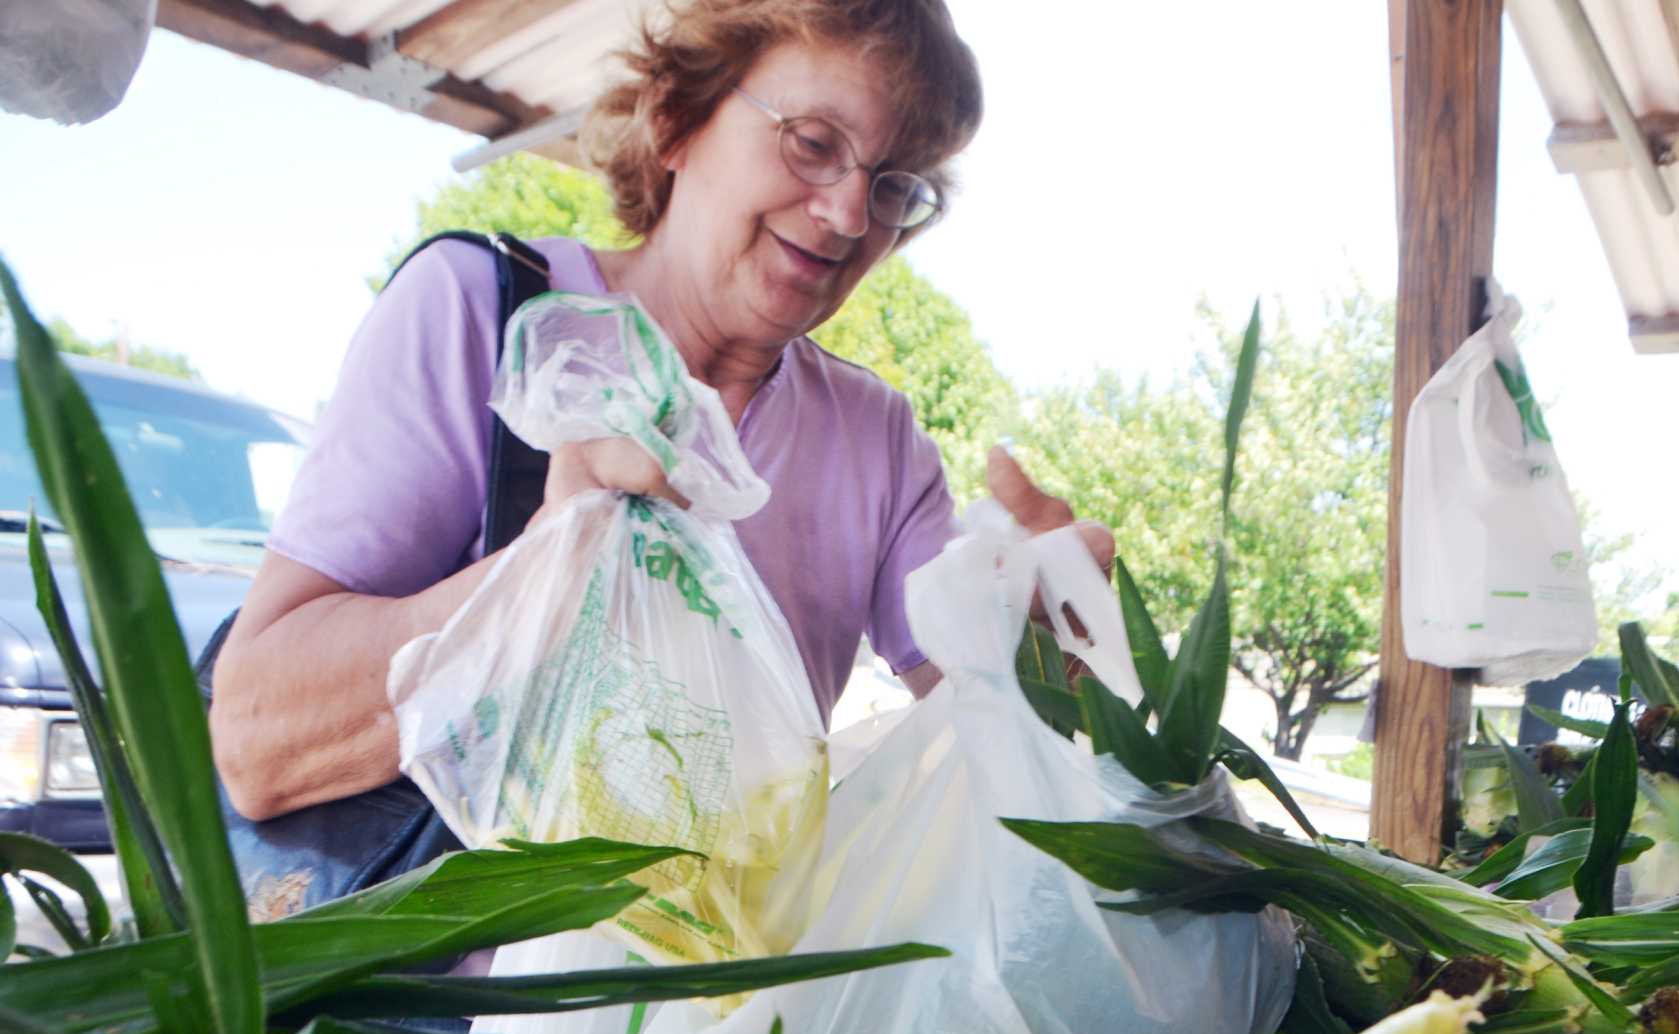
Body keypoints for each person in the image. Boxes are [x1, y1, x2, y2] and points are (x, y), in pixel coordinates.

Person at [209, 0, 1108, 887]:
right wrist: (550, 570)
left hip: (719, 1018)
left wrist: (1050, 637)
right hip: (443, 1018)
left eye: (893, 186)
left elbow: (991, 729)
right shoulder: (480, 312)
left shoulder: (876, 438)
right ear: (679, 122)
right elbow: (255, 740)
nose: (845, 215)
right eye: (813, 143)